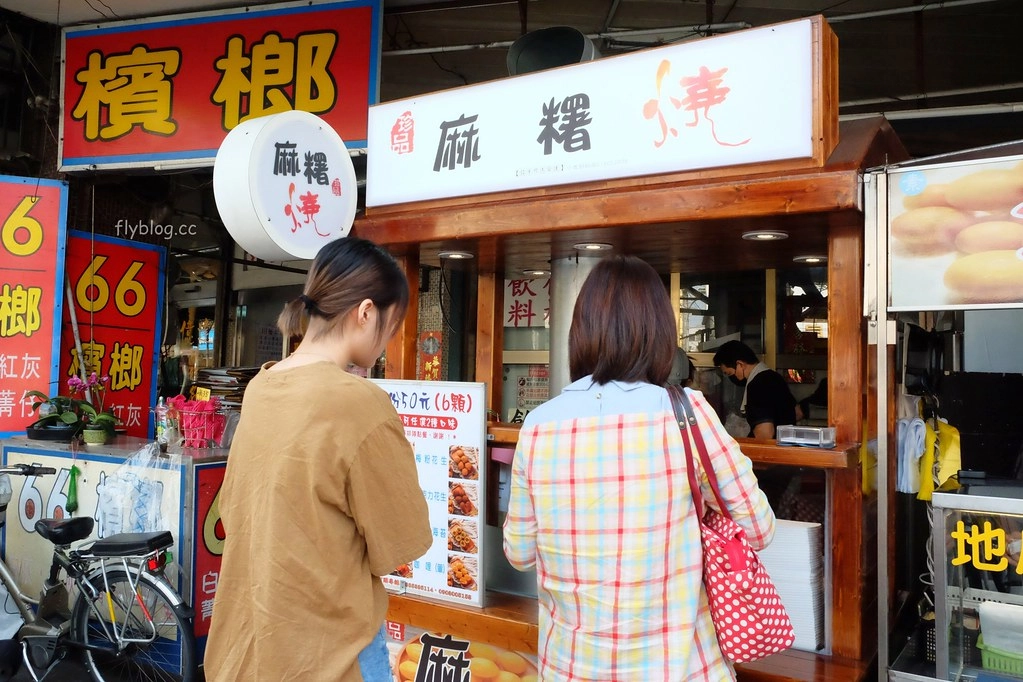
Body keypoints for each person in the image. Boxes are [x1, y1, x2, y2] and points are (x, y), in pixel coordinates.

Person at [503, 255, 776, 681]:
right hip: (678, 668)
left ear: (582, 330)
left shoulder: (538, 426)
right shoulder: (688, 412)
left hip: (570, 668)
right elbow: (759, 529)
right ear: (659, 333)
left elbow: (519, 554)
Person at [204, 237, 432, 682]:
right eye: (392, 324)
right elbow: (401, 541)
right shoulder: (360, 403)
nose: (389, 340)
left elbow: (236, 509)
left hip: (244, 648)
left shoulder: (262, 387)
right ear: (366, 313)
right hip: (327, 655)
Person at [713, 339, 799, 440]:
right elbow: (797, 412)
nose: (731, 378)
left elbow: (765, 432)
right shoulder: (774, 377)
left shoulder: (757, 384)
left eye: (730, 374)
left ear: (740, 364)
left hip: (771, 451)